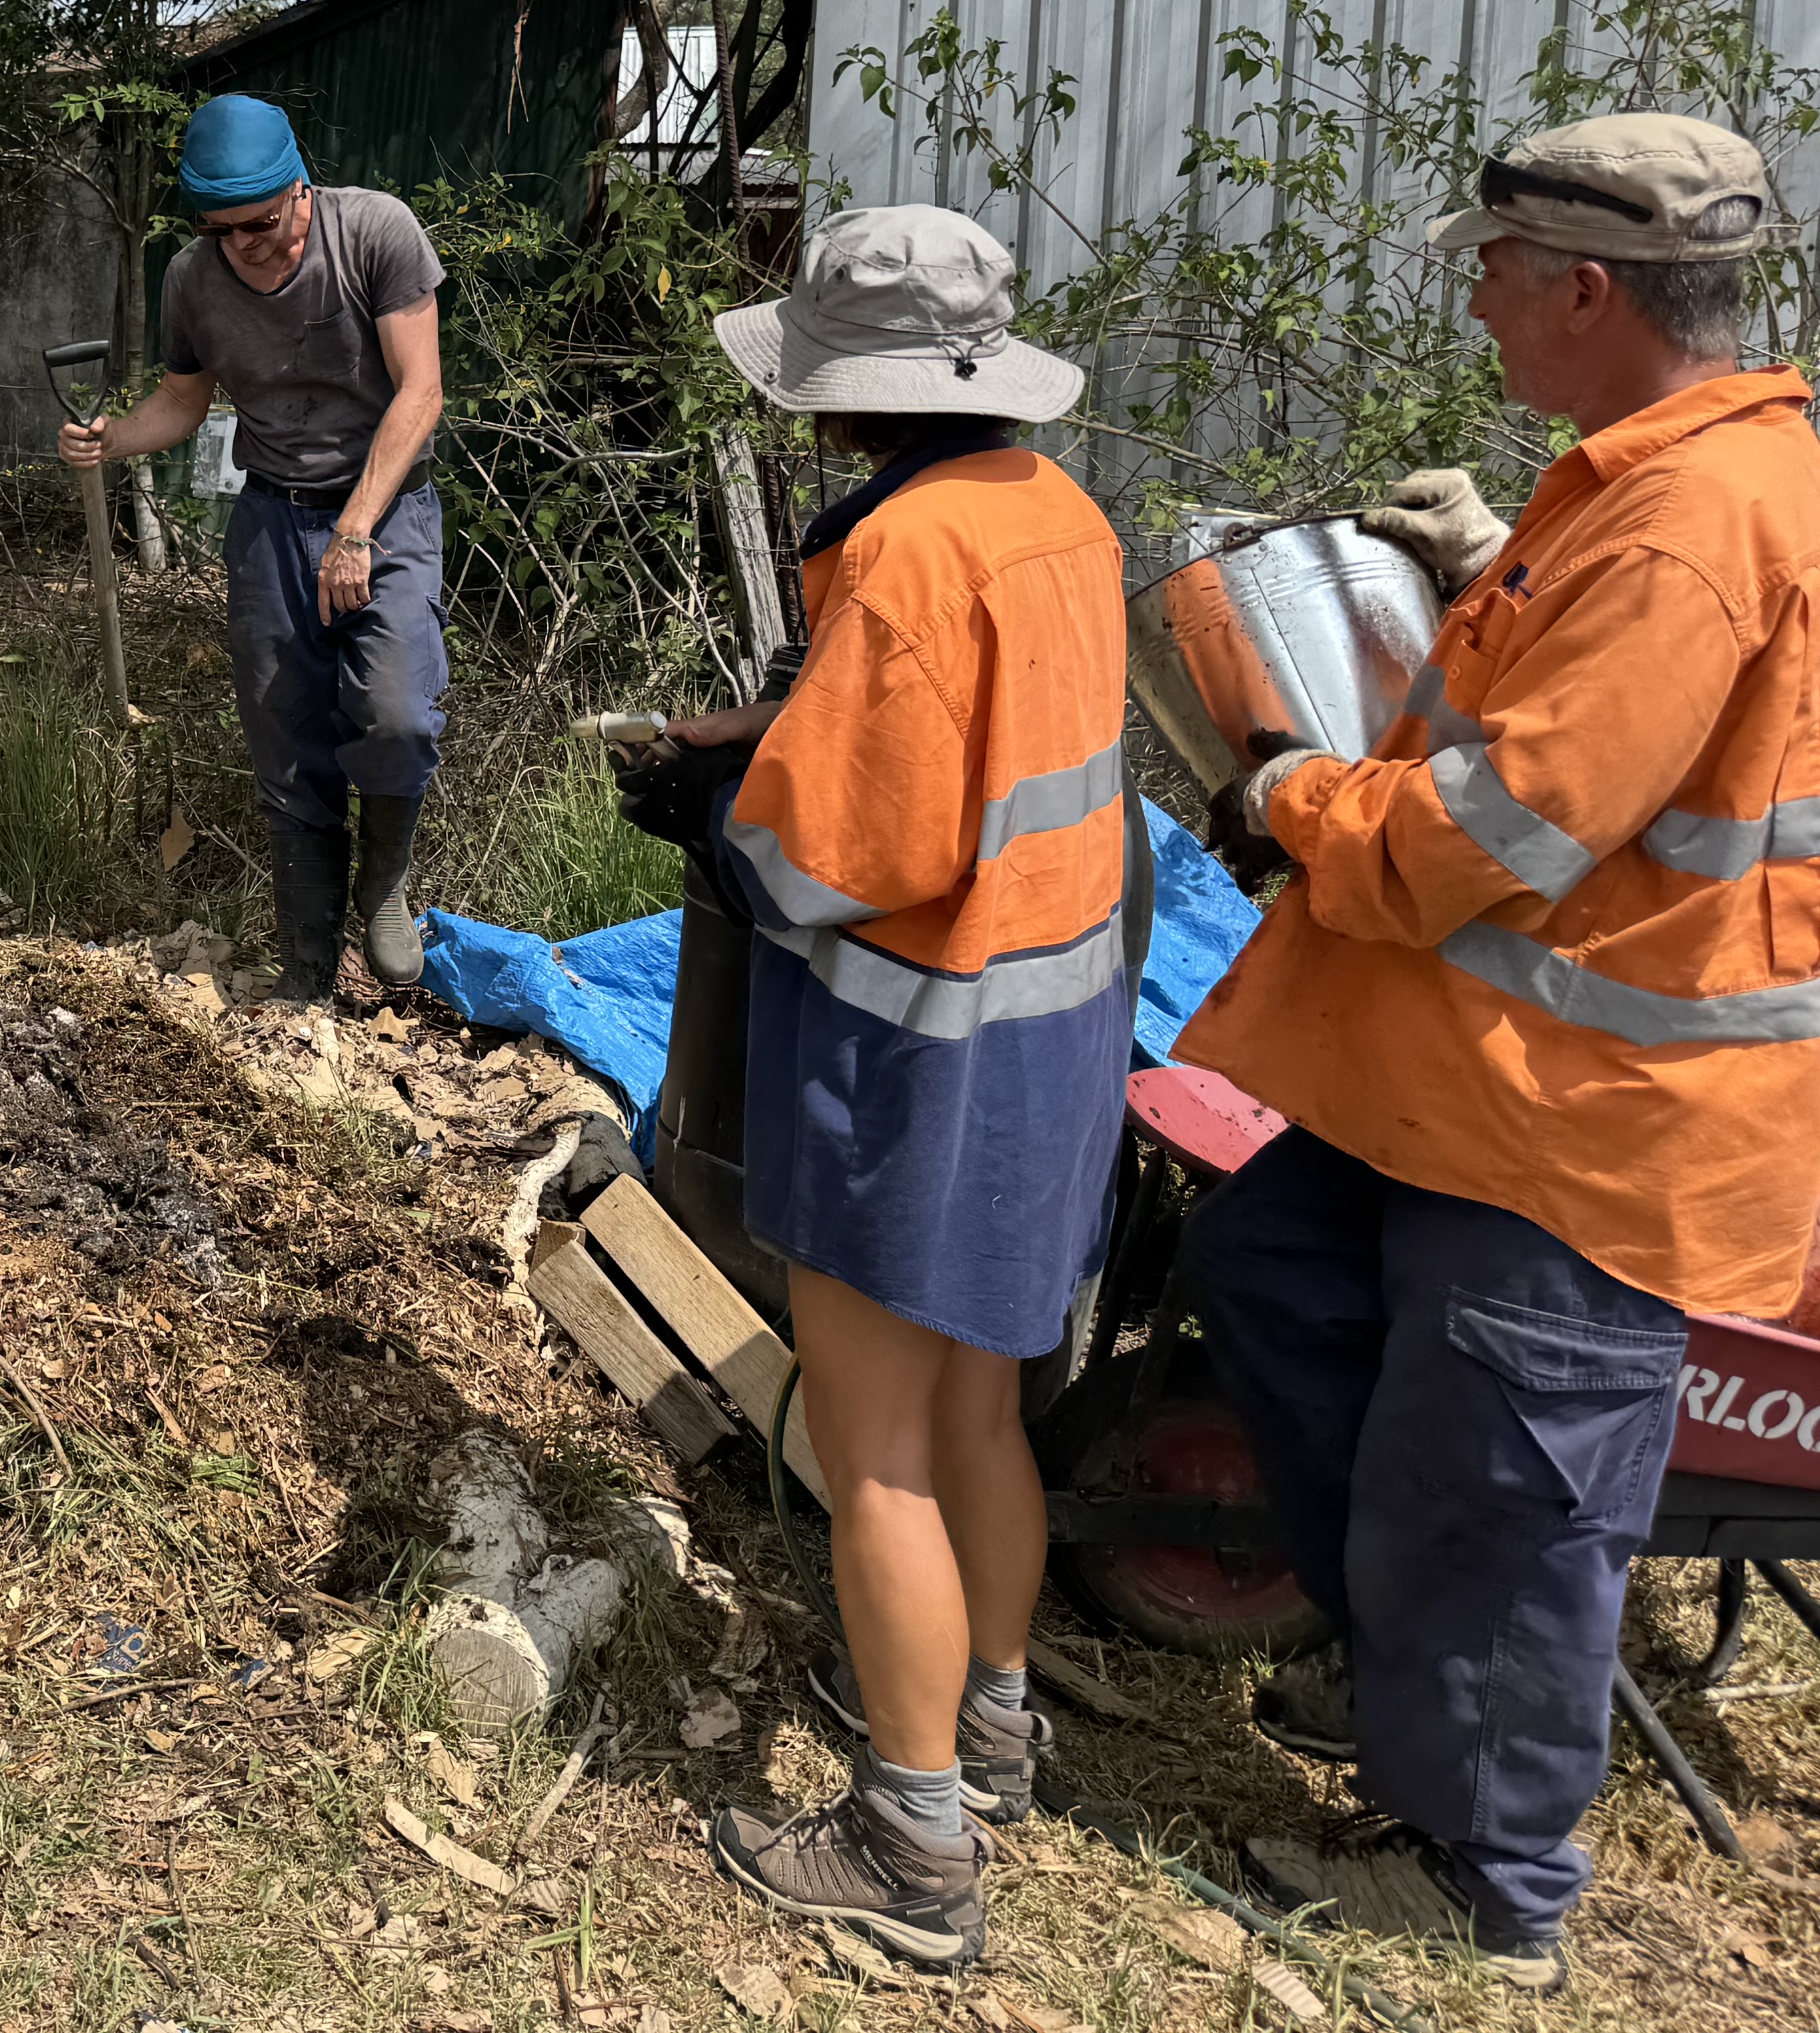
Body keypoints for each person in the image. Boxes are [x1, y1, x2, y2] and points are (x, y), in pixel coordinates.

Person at [1178, 111, 1820, 1995]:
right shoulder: (1630, 479)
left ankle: (1487, 1878)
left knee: (1509, 1477)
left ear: (1591, 290)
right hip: (1470, 1078)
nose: (1472, 292)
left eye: (1492, 264)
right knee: (1272, 1263)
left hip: (1593, 1120)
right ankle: (1396, 1651)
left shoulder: (1694, 527)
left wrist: (1290, 791)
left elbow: (1500, 834)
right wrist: (1473, 577)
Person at [638, 206, 1127, 1973]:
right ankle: (988, 1733)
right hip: (1046, 1039)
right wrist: (772, 734)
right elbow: (974, 759)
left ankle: (911, 1845)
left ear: (853, 398)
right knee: (981, 1407)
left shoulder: (909, 559)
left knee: (878, 1454)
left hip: (911, 1050)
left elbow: (834, 848)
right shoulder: (1055, 519)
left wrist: (717, 812)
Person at [55, 95, 445, 1002]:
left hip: (383, 511)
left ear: (299, 189)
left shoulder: (376, 235)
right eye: (221, 231)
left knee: (395, 715)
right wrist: (108, 439)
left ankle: (383, 889)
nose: (244, 246)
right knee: (288, 746)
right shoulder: (194, 279)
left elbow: (420, 393)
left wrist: (355, 529)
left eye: (260, 225)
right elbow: (185, 405)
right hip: (272, 519)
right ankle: (308, 984)